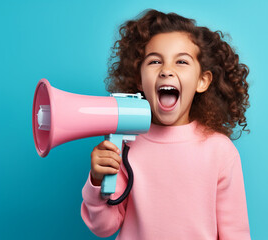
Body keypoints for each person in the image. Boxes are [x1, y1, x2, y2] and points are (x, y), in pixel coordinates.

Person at [81, 9, 251, 240]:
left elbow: (235, 233)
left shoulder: (220, 151)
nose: (166, 71)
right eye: (155, 61)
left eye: (181, 61)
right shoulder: (125, 143)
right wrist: (97, 180)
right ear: (140, 80)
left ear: (202, 81)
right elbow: (103, 227)